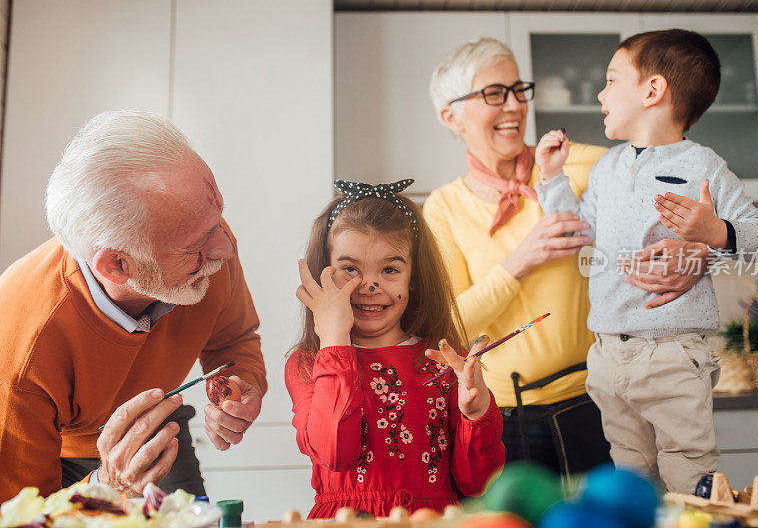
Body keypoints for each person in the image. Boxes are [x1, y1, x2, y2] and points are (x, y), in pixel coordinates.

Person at [424, 37, 715, 477]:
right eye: (493, 94)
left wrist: (701, 248)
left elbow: (687, 183)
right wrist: (522, 259)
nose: (514, 106)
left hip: (597, 401)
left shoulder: (578, 165)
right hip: (503, 415)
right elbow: (452, 326)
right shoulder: (443, 207)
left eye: (518, 89)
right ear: (450, 116)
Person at [534, 29, 758, 493]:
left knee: (688, 472)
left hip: (671, 352)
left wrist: (715, 234)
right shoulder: (606, 167)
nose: (600, 93)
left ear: (653, 90)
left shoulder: (704, 165)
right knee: (632, 481)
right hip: (608, 354)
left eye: (611, 80)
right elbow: (578, 232)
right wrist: (551, 179)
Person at [0, 110, 268, 501]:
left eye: (218, 222)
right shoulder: (20, 346)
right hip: (62, 457)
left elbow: (234, 340)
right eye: (194, 248)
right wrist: (107, 487)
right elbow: (20, 515)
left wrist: (244, 385)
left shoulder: (206, 240)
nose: (225, 250)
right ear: (117, 265)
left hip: (159, 424)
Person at [285, 179, 504, 518]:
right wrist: (333, 340)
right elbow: (335, 451)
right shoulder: (308, 364)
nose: (369, 285)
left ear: (413, 278)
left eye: (389, 269)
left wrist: (476, 415)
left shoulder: (442, 359)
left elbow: (478, 484)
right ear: (323, 275)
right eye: (350, 270)